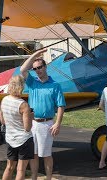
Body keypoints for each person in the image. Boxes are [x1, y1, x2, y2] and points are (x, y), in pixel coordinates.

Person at [20, 49, 66, 180]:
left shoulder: (55, 85)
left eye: (40, 67)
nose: (38, 70)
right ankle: (34, 177)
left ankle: (49, 177)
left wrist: (57, 123)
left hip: (47, 124)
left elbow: (61, 106)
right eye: (35, 68)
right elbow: (23, 69)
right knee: (33, 154)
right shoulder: (32, 82)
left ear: (45, 67)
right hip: (32, 123)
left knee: (46, 154)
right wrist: (35, 55)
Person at [0, 75, 33, 180]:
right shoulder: (23, 105)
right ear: (21, 86)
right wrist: (31, 117)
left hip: (10, 138)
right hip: (23, 140)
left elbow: (3, 120)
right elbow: (27, 128)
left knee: (9, 167)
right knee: (20, 170)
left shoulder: (4, 100)